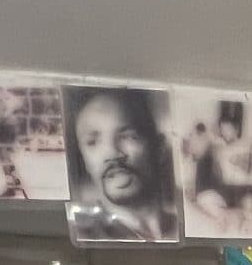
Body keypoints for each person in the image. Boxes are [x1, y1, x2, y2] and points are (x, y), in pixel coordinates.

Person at [67, 87, 179, 241]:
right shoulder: (85, 235)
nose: (111, 153)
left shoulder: (189, 227)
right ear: (84, 159)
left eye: (128, 136)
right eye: (92, 142)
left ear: (159, 148)